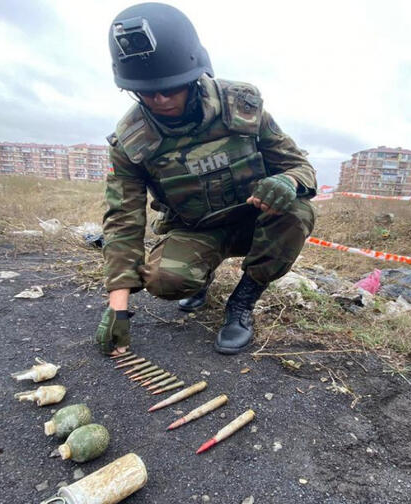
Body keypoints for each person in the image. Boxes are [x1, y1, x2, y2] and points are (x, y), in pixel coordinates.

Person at [95, 2, 316, 356]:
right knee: (166, 281)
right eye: (148, 92)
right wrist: (117, 307)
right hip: (197, 229)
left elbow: (300, 167)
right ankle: (199, 280)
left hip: (254, 221)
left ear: (195, 75)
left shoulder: (241, 106)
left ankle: (241, 303)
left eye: (171, 87)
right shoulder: (132, 143)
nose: (160, 99)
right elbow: (123, 221)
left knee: (296, 212)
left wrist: (287, 182)